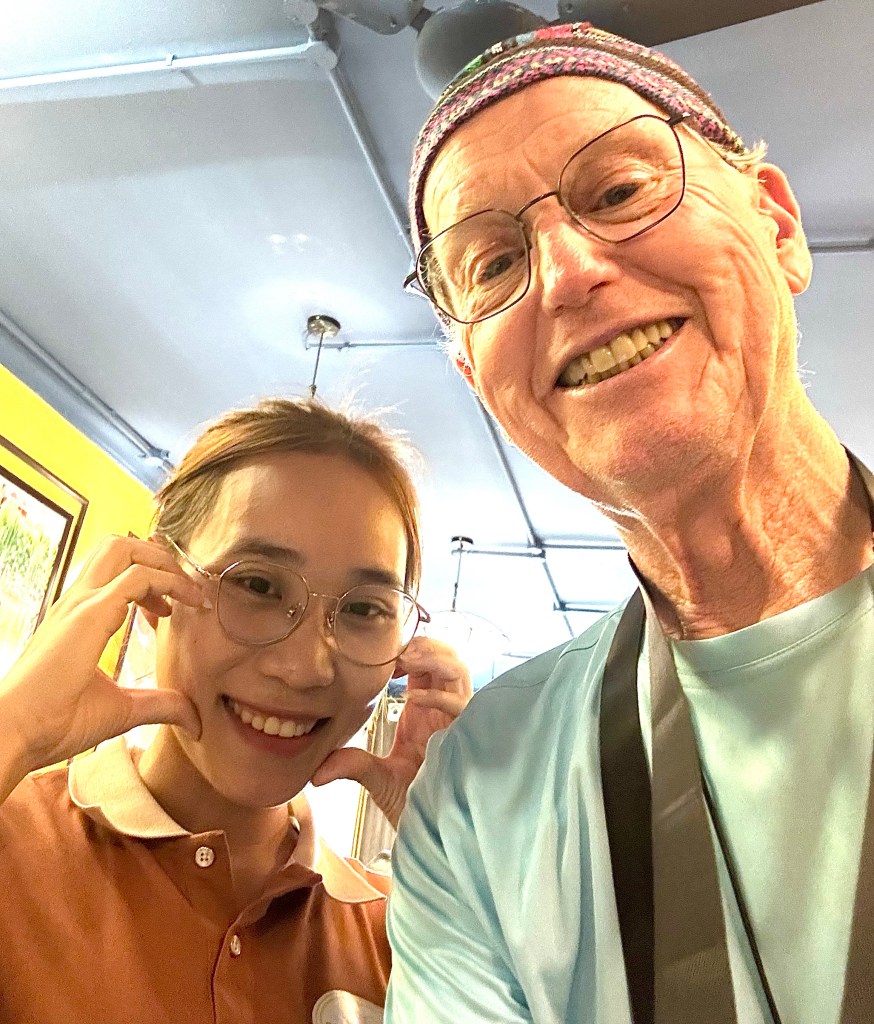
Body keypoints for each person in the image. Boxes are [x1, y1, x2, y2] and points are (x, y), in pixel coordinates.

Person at [387, 23, 874, 1024]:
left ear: (778, 226)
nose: (567, 273)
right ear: (476, 375)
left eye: (616, 191)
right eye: (491, 264)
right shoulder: (476, 787)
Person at [0, 396, 471, 1023]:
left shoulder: (408, 939)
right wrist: (14, 729)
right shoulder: (15, 840)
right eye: (256, 584)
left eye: (364, 609)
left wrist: (461, 853)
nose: (306, 667)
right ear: (153, 587)